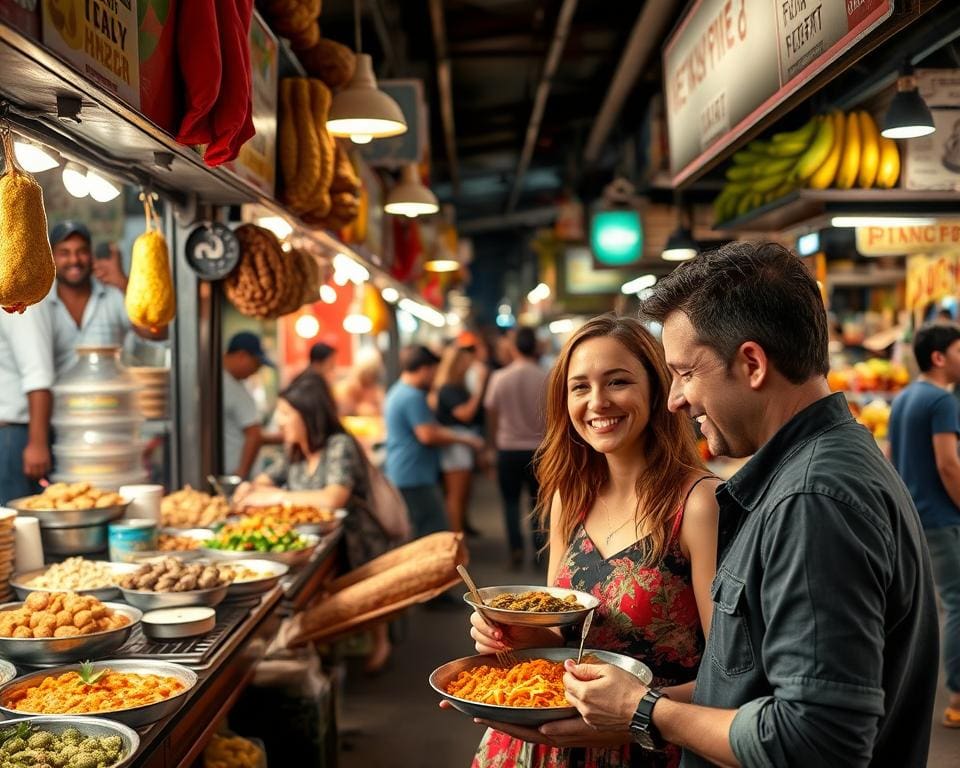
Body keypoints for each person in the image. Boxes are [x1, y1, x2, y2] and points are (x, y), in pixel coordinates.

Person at [560, 243, 938, 767]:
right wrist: (621, 706)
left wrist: (645, 709)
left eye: (686, 372)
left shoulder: (812, 500)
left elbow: (817, 743)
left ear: (753, 363)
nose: (675, 399)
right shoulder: (826, 465)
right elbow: (757, 692)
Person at [458, 314, 719, 768]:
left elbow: (728, 675)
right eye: (580, 387)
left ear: (657, 390)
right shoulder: (568, 496)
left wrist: (636, 712)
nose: (597, 402)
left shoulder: (698, 503)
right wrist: (521, 635)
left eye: (617, 382)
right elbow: (566, 632)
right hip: (544, 743)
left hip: (646, 748)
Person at [233, 371, 393, 671]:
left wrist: (274, 497)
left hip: (354, 537)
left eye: (285, 414)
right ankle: (315, 642)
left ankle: (377, 638)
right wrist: (248, 487)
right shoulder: (295, 448)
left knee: (354, 588)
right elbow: (265, 480)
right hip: (315, 536)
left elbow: (334, 498)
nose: (279, 422)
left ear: (307, 416)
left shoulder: (338, 445)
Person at [889, 322, 960, 728]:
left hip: (914, 517)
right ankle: (958, 697)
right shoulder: (941, 402)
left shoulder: (905, 397)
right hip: (942, 518)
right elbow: (948, 465)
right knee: (956, 603)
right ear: (938, 358)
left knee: (922, 608)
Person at [384, 345, 484, 538]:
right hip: (413, 475)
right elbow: (428, 435)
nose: (434, 377)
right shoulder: (412, 396)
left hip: (407, 472)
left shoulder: (398, 391)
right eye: (433, 372)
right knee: (433, 531)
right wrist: (465, 439)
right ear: (424, 369)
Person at [44, 221, 163, 375]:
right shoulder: (40, 303)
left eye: (82, 251)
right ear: (51, 257)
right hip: (58, 398)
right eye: (64, 253)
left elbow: (156, 332)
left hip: (110, 397)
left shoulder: (114, 295)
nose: (74, 260)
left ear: (91, 255)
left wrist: (123, 282)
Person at [484, 326, 549, 567]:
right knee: (538, 503)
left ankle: (515, 551)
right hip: (540, 450)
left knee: (510, 502)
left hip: (507, 449)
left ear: (513, 348)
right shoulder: (547, 376)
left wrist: (491, 445)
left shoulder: (499, 378)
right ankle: (539, 551)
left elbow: (491, 413)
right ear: (536, 346)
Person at [429, 342, 489, 533]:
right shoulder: (448, 389)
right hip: (455, 446)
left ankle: (461, 531)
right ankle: (456, 539)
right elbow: (465, 414)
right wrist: (480, 388)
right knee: (456, 495)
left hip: (461, 444)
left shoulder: (455, 387)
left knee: (463, 494)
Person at [0, 306, 55, 504]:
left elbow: (38, 375)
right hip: (8, 436)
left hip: (14, 436)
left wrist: (37, 443)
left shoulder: (20, 301)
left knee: (13, 525)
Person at [222, 332, 271, 480]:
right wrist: (241, 474)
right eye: (257, 364)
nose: (257, 370)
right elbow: (254, 435)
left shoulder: (232, 382)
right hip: (236, 475)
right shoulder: (231, 386)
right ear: (242, 356)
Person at [335, 347, 385, 417]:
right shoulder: (349, 387)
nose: (370, 377)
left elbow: (381, 409)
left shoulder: (375, 389)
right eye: (368, 372)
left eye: (373, 373)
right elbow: (342, 410)